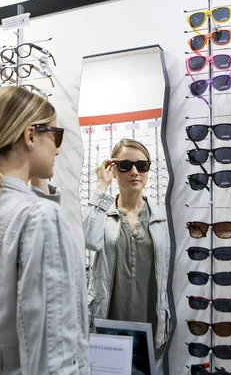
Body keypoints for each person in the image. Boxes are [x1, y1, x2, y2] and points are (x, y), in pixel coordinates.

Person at [0, 86, 89, 374]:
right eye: (55, 135)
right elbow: (55, 354)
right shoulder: (37, 217)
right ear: (30, 136)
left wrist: (39, 186)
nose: (57, 147)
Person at [83, 138, 172, 374]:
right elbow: (88, 239)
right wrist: (101, 186)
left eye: (142, 166)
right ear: (113, 168)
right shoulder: (104, 214)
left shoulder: (162, 218)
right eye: (125, 165)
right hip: (108, 326)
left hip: (151, 327)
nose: (135, 172)